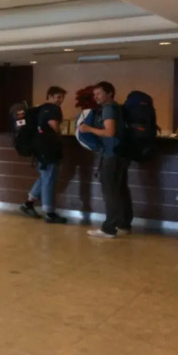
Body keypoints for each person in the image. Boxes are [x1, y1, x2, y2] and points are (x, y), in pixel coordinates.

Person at [78, 81, 133, 238]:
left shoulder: (108, 109)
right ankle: (124, 224)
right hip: (121, 153)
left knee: (110, 191)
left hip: (111, 154)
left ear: (109, 93)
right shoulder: (117, 107)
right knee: (121, 190)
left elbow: (109, 132)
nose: (95, 97)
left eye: (99, 93)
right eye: (94, 94)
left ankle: (109, 228)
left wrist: (88, 129)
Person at [20, 86, 68, 224]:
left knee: (45, 176)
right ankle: (49, 213)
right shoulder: (53, 109)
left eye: (62, 97)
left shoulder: (41, 108)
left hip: (40, 148)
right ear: (50, 96)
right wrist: (60, 134)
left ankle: (29, 203)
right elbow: (54, 125)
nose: (60, 100)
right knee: (49, 178)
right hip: (49, 148)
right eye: (58, 97)